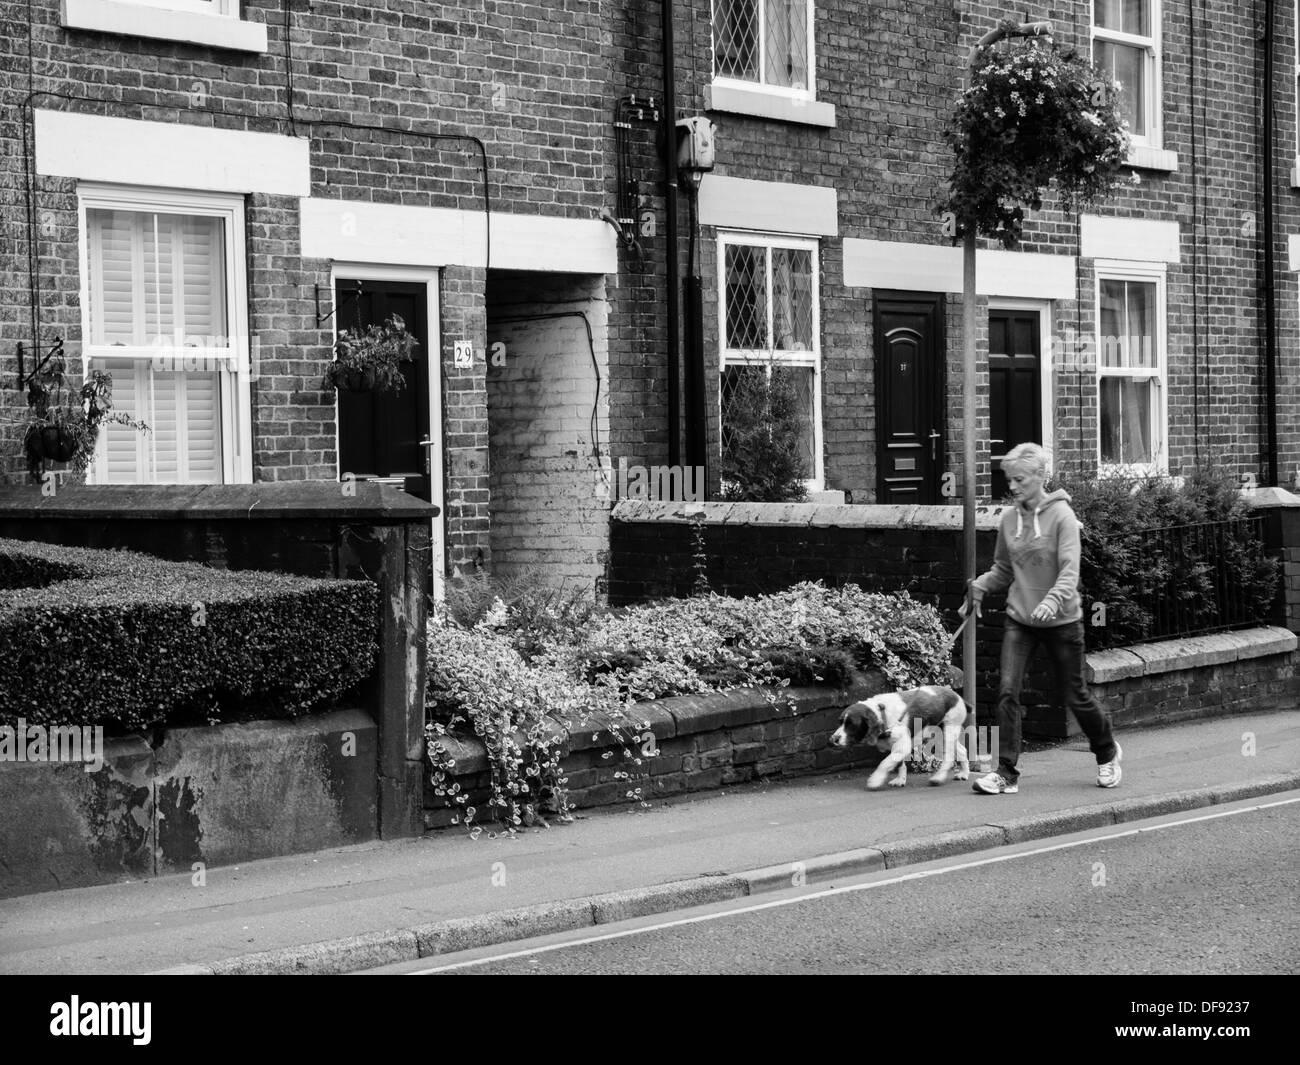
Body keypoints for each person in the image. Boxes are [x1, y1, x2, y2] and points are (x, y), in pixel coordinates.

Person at [958, 442, 1121, 794]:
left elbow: (1069, 571)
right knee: (1006, 691)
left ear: (1039, 477)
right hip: (1021, 620)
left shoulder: (1061, 517)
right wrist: (981, 586)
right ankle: (1006, 772)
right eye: (1009, 480)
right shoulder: (1008, 519)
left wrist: (1052, 601)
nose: (1013, 486)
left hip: (1061, 620)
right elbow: (1003, 568)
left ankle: (1106, 751)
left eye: (1019, 479)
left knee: (1074, 694)